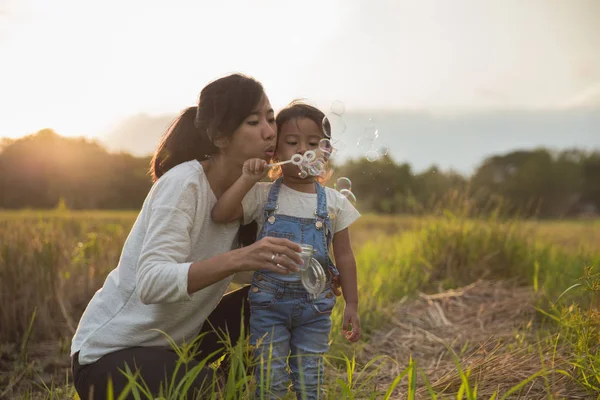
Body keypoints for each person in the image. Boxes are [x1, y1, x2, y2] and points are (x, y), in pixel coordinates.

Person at [70, 74, 307, 400]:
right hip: (108, 357)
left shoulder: (247, 193)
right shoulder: (184, 184)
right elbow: (152, 282)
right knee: (206, 388)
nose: (269, 131)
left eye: (270, 118)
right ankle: (211, 387)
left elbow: (220, 267)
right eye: (253, 122)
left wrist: (305, 273)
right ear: (221, 138)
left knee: (279, 298)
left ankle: (227, 386)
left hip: (175, 347)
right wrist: (242, 256)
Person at [211, 101, 362, 399]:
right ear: (276, 152)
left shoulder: (334, 202)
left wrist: (353, 305)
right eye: (292, 142)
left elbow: (344, 255)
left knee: (310, 380)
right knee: (270, 379)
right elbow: (221, 214)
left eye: (313, 143)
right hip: (268, 306)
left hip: (315, 307)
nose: (301, 150)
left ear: (326, 151)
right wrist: (246, 178)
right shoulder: (263, 194)